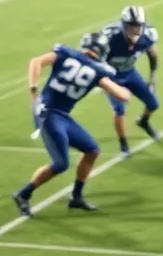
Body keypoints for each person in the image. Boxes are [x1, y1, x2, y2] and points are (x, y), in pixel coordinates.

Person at [12, 33, 131, 216]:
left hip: (57, 114)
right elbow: (123, 96)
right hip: (50, 115)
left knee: (92, 150)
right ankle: (23, 194)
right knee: (61, 163)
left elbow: (35, 62)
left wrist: (34, 91)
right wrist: (115, 83)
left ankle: (76, 196)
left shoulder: (65, 53)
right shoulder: (98, 71)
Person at [100, 5, 160, 156]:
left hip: (129, 73)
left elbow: (153, 55)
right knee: (119, 110)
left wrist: (152, 78)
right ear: (125, 25)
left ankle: (143, 122)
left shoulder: (147, 36)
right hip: (112, 77)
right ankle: (123, 143)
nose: (136, 29)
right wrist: (102, 81)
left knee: (153, 103)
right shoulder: (111, 37)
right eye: (133, 25)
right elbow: (96, 59)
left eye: (139, 25)